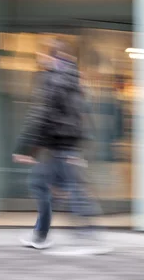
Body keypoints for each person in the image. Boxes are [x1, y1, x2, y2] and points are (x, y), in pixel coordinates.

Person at [13, 41, 99, 250]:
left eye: (42, 56)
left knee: (50, 187)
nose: (41, 60)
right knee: (62, 188)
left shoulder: (53, 79)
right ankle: (45, 235)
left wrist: (26, 147)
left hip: (57, 145)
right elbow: (81, 115)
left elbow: (42, 115)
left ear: (51, 56)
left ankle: (80, 236)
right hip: (65, 145)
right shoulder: (75, 79)